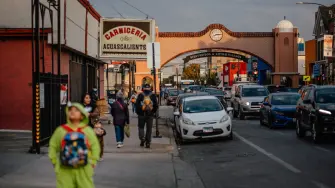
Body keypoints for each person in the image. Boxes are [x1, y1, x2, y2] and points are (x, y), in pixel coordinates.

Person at [48, 102, 100, 188]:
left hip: (84, 168)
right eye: (70, 110)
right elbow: (53, 146)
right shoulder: (61, 130)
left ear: (82, 115)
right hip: (64, 169)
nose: (72, 112)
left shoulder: (87, 130)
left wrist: (93, 162)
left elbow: (95, 147)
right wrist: (54, 162)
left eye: (76, 110)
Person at [135, 84, 158, 148]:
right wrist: (153, 112)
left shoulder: (140, 95)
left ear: (143, 88)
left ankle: (142, 139)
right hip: (150, 115)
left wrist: (138, 113)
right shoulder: (153, 95)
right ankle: (148, 143)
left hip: (141, 115)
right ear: (150, 88)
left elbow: (136, 105)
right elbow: (156, 105)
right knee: (149, 129)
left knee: (141, 127)